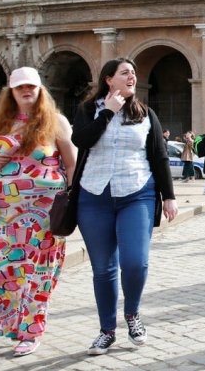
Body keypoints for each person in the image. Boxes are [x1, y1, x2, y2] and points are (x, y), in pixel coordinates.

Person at [72, 58, 178, 355]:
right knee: (103, 269)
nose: (132, 76)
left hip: (136, 193)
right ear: (108, 79)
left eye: (133, 72)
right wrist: (108, 112)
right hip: (94, 196)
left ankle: (132, 314)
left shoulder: (146, 114)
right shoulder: (86, 111)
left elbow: (158, 157)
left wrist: (168, 196)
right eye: (125, 72)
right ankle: (107, 330)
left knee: (135, 262)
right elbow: (82, 141)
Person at [0, 67, 76, 357]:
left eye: (31, 86)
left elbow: (71, 163)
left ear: (41, 90)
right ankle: (13, 322)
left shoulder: (56, 122)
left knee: (37, 275)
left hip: (44, 217)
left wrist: (72, 200)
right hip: (3, 216)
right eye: (20, 87)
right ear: (11, 92)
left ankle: (31, 332)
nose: (26, 90)